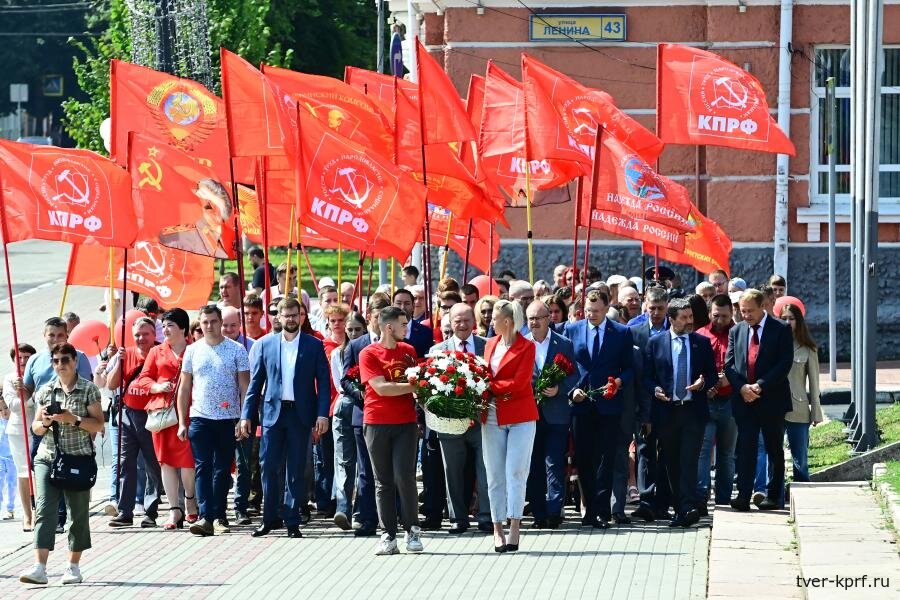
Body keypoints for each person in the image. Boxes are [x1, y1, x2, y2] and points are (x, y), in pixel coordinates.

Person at [240, 298, 330, 538]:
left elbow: (323, 382)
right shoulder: (265, 344)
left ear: (301, 316)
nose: (291, 319)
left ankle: (292, 521)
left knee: (296, 470)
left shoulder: (314, 345)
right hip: (272, 414)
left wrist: (322, 414)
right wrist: (246, 415)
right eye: (286, 315)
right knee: (268, 467)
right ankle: (269, 518)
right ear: (277, 317)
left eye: (295, 315)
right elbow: (255, 384)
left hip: (300, 415)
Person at [19, 343, 104, 586]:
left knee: (77, 514)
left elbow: (98, 424)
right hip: (48, 457)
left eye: (65, 359)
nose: (60, 365)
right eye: (55, 361)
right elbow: (36, 428)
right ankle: (40, 567)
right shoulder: (46, 390)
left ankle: (73, 567)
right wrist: (45, 422)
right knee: (44, 510)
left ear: (75, 361)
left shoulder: (88, 389)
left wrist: (72, 419)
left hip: (78, 458)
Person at [14, 317, 93, 534]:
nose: (55, 339)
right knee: (43, 468)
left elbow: (89, 391)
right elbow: (28, 393)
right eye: (51, 335)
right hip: (44, 425)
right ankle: (53, 515)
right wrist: (21, 388)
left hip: (72, 426)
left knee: (68, 470)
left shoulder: (79, 357)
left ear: (67, 335)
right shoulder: (35, 360)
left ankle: (64, 515)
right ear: (44, 335)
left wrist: (88, 426)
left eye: (60, 335)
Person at [177, 306, 251, 536]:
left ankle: (220, 516)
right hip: (200, 417)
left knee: (222, 468)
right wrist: (182, 421)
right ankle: (205, 516)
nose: (209, 326)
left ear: (220, 322)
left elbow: (245, 386)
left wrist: (244, 417)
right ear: (200, 324)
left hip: (228, 418)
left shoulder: (237, 349)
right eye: (205, 322)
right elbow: (184, 388)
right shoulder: (192, 351)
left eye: (213, 321)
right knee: (202, 467)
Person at [645, 299, 717, 528]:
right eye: (684, 317)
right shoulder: (656, 343)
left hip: (692, 412)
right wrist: (654, 389)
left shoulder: (701, 343)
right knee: (672, 463)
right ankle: (680, 509)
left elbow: (712, 375)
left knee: (689, 460)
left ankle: (688, 507)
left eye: (691, 316)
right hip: (667, 411)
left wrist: (703, 382)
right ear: (672, 319)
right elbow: (646, 376)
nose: (689, 321)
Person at [565, 290, 634, 529]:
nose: (591, 315)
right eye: (587, 311)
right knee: (584, 458)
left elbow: (629, 368)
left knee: (606, 458)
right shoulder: (573, 330)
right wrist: (572, 390)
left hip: (609, 405)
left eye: (596, 311)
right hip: (581, 404)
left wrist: (618, 382)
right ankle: (588, 510)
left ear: (606, 309)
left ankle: (602, 511)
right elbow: (566, 366)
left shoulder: (621, 333)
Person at [359, 307, 423, 555]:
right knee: (383, 481)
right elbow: (381, 388)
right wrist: (414, 386)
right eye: (403, 324)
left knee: (405, 477)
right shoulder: (368, 353)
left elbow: (415, 385)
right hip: (376, 422)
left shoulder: (408, 351)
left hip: (406, 423)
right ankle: (388, 535)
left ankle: (413, 530)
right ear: (389, 327)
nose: (406, 328)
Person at [725, 289, 794, 512]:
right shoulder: (736, 330)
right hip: (745, 400)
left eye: (750, 311)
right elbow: (729, 365)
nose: (746, 315)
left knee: (774, 448)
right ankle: (744, 495)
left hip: (771, 399)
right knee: (746, 447)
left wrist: (760, 385)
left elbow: (784, 363)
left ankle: (773, 496)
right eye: (742, 311)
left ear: (762, 307)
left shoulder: (780, 329)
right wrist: (742, 387)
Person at [429, 303, 491, 534]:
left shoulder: (488, 346)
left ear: (474, 322)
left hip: (482, 420)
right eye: (457, 321)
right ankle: (458, 518)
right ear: (450, 323)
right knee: (452, 472)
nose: (462, 325)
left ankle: (487, 516)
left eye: (466, 320)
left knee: (486, 470)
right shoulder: (437, 350)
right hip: (450, 422)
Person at [135, 308, 197, 531]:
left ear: (183, 328)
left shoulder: (194, 349)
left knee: (188, 462)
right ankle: (174, 510)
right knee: (166, 462)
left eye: (170, 325)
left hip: (190, 411)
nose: (166, 330)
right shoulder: (156, 351)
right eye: (164, 326)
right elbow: (143, 379)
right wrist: (157, 386)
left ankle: (190, 500)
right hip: (163, 414)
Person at [482, 299, 537, 553]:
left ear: (506, 321)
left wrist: (488, 387)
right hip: (492, 414)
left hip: (520, 415)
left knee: (516, 471)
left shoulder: (527, 346)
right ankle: (497, 528)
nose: (490, 321)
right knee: (494, 474)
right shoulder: (490, 344)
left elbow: (520, 383)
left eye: (494, 318)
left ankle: (515, 524)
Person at [339, 297, 391, 537]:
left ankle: (391, 516)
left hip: (391, 414)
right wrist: (361, 393)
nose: (380, 321)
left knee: (390, 470)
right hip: (364, 415)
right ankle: (367, 518)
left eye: (384, 316)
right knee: (366, 470)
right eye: (377, 316)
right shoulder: (356, 344)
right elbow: (345, 379)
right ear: (369, 316)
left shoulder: (396, 343)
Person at [106, 318, 163, 529]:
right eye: (137, 334)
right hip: (128, 414)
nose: (141, 338)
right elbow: (111, 384)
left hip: (153, 416)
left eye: (145, 334)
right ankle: (125, 511)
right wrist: (119, 363)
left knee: (152, 465)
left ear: (154, 335)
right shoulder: (126, 353)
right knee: (125, 463)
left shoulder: (160, 353)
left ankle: (151, 512)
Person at [524, 300, 576, 529]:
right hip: (530, 414)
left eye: (539, 318)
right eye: (531, 318)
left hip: (556, 414)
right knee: (534, 465)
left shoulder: (563, 343)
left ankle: (554, 512)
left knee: (554, 463)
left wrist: (559, 389)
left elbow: (574, 375)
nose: (534, 322)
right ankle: (538, 513)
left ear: (548, 319)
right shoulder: (521, 344)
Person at [695, 294, 738, 511]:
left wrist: (731, 379)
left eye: (724, 316)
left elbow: (746, 364)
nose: (720, 320)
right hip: (707, 400)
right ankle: (701, 498)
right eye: (715, 315)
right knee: (703, 451)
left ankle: (723, 499)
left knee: (726, 453)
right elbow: (695, 367)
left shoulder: (739, 333)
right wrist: (707, 384)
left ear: (732, 313)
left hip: (731, 400)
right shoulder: (701, 335)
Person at [780, 303, 822, 485]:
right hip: (774, 408)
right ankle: (775, 492)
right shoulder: (773, 344)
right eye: (784, 318)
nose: (787, 322)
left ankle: (802, 489)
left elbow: (814, 383)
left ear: (798, 321)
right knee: (773, 455)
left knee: (800, 457)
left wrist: (816, 412)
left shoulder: (808, 348)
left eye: (791, 318)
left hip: (798, 408)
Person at [326, 304, 356, 530]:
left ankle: (362, 508)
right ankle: (343, 507)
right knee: (343, 459)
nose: (352, 333)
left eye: (357, 329)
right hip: (343, 406)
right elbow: (339, 384)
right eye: (350, 329)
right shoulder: (337, 353)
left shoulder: (368, 349)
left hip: (366, 408)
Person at [2, 343, 37, 530]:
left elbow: (42, 400)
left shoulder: (37, 375)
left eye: (26, 357)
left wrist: (27, 392)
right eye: (19, 358)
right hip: (18, 431)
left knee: (40, 472)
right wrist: (25, 395)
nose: (22, 361)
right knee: (23, 473)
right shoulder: (10, 379)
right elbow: (15, 406)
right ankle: (27, 515)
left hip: (39, 427)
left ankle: (41, 512)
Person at [159, 178, 232, 258]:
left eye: (208, 206)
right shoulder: (173, 238)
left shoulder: (228, 250)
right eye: (196, 199)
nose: (196, 204)